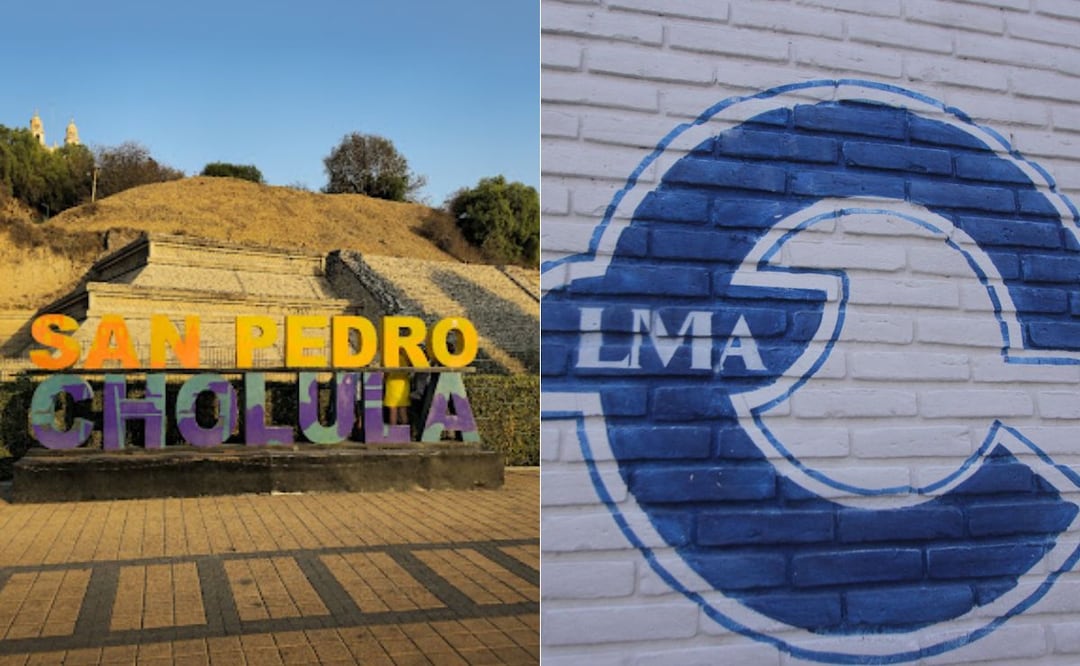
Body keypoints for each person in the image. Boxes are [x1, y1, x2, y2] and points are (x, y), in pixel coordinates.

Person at [384, 349, 410, 428]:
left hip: (392, 383)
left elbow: (386, 373)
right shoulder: (407, 358)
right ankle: (405, 431)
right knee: (403, 408)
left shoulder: (389, 358)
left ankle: (393, 431)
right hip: (403, 383)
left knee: (393, 409)